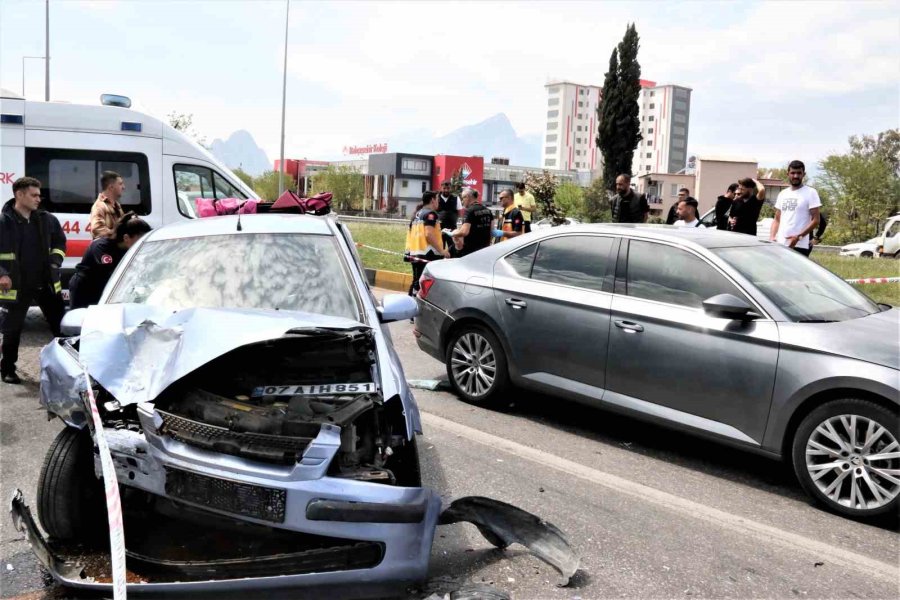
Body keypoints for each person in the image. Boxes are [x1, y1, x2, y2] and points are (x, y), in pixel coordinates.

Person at [0, 177, 66, 384]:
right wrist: (2, 273)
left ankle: (69, 367)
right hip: (17, 285)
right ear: (19, 195)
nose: (39, 199)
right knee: (13, 329)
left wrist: (55, 263)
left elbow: (59, 242)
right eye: (34, 195)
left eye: (39, 195)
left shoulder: (47, 219)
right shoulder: (3, 222)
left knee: (60, 326)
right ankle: (8, 369)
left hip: (45, 283)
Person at [68, 213, 152, 309]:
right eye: (140, 240)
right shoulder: (102, 247)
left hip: (103, 289)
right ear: (126, 238)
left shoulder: (127, 249)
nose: (142, 244)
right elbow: (111, 274)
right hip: (85, 289)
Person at [770, 160, 821, 256]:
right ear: (788, 174)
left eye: (799, 173)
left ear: (804, 174)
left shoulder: (811, 192)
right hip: (781, 244)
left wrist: (799, 237)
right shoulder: (783, 194)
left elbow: (816, 220)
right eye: (793, 173)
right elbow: (777, 219)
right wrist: (772, 237)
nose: (796, 176)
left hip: (800, 245)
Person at [405, 191, 450, 296]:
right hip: (429, 253)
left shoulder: (417, 214)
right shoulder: (431, 214)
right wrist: (442, 251)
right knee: (425, 283)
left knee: (416, 282)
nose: (438, 201)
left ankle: (411, 303)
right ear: (432, 200)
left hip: (416, 252)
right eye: (437, 199)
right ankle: (419, 305)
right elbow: (428, 234)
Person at [450, 189, 493, 256]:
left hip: (471, 250)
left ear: (467, 197)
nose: (462, 201)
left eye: (463, 198)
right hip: (485, 248)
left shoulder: (469, 211)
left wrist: (452, 233)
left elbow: (464, 232)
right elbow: (492, 231)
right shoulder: (488, 211)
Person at [89, 170, 126, 239]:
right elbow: (97, 229)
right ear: (111, 187)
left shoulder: (117, 205)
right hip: (106, 249)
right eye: (120, 184)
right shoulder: (99, 206)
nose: (124, 187)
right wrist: (116, 235)